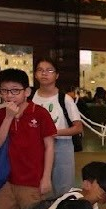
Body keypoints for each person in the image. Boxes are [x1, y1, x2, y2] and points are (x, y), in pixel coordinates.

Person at [0, 68, 57, 209]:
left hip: (32, 179)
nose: (9, 95)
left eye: (15, 91)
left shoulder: (40, 113)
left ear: (27, 92)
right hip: (6, 179)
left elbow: (50, 146)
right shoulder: (0, 115)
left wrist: (46, 178)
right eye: (5, 91)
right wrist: (8, 118)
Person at [30, 60, 84, 197]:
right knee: (36, 186)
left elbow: (78, 127)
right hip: (35, 145)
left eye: (49, 70)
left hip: (62, 146)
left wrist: (52, 133)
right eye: (40, 70)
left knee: (63, 189)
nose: (44, 73)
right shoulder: (30, 98)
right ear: (35, 74)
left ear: (57, 75)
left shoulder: (64, 99)